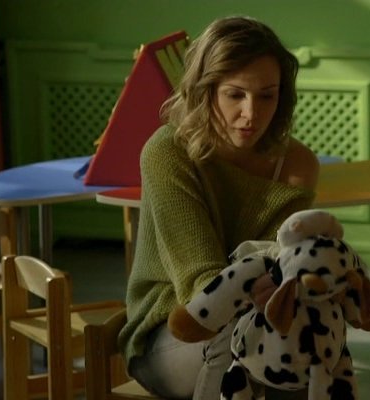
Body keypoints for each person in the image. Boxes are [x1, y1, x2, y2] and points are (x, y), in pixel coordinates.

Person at [118, 16, 319, 400]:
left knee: (305, 330)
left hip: (253, 321)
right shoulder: (167, 151)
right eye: (235, 94)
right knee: (235, 334)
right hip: (167, 331)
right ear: (204, 90)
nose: (251, 113)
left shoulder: (296, 166)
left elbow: (282, 268)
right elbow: (202, 285)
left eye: (267, 96)